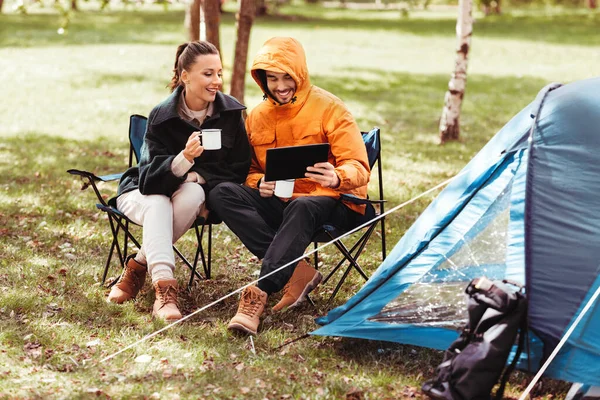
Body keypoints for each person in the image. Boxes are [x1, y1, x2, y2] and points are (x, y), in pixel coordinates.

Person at [209, 37, 370, 335]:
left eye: (287, 77)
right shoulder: (256, 117)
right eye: (272, 78)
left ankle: (258, 294)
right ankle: (298, 270)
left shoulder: (331, 108)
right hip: (282, 201)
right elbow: (249, 170)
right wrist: (261, 183)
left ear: (300, 75)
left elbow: (359, 168)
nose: (280, 86)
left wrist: (336, 176)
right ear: (262, 79)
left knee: (303, 205)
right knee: (221, 193)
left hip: (333, 203)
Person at [107, 41, 251, 322]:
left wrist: (195, 175)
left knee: (194, 193)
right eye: (207, 74)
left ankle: (137, 267)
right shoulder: (162, 116)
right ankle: (164, 287)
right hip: (141, 192)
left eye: (219, 73)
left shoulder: (231, 114)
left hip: (187, 192)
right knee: (159, 204)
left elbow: (238, 169)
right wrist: (183, 159)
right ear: (185, 76)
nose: (217, 81)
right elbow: (149, 181)